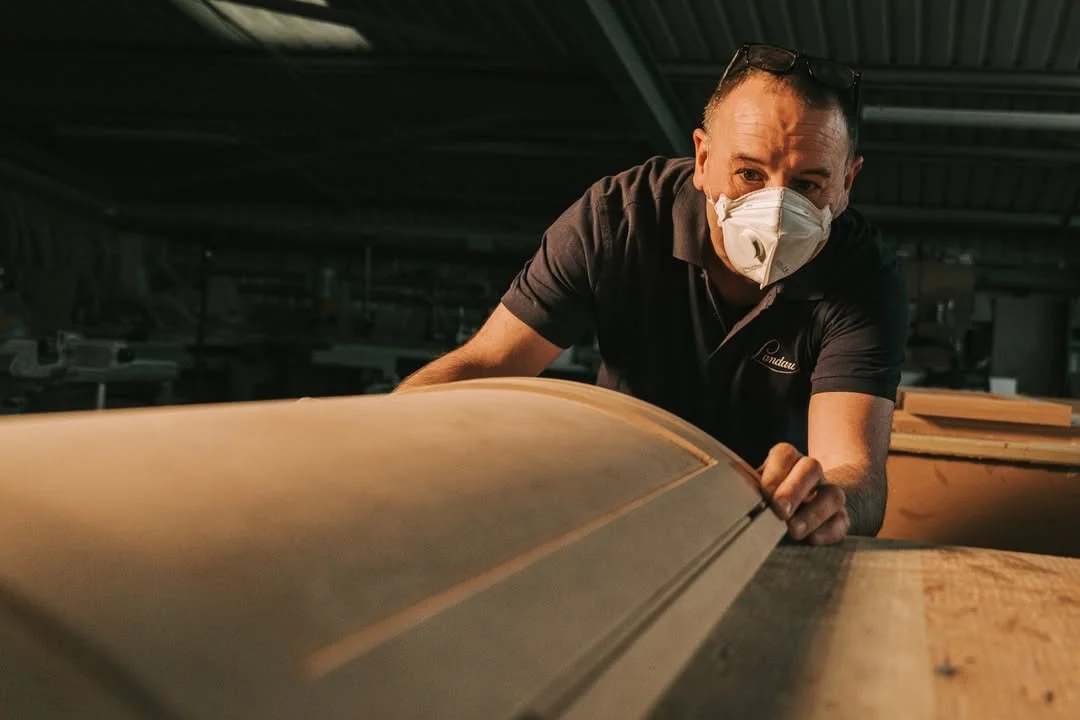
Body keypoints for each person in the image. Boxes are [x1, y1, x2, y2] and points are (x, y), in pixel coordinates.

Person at [396, 44, 909, 546]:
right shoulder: (618, 219)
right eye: (749, 173)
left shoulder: (862, 276)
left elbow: (857, 470)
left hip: (765, 531)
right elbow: (488, 366)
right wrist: (375, 432)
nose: (775, 211)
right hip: (615, 507)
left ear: (847, 183)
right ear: (703, 159)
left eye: (809, 185)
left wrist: (825, 501)